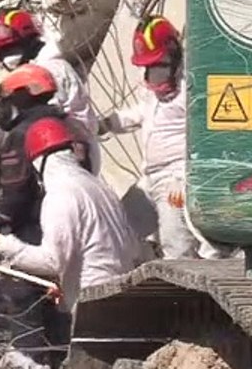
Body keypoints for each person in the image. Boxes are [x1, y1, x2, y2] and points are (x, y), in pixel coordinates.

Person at [0, 116, 144, 352]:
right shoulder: (100, 187)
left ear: (36, 161)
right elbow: (125, 245)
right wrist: (67, 279)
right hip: (125, 294)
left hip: (94, 304)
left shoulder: (60, 195)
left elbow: (51, 261)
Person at [99, 16, 236, 259]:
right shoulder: (151, 88)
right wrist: (108, 124)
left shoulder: (191, 88)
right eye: (149, 66)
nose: (154, 73)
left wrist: (184, 177)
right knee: (120, 230)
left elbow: (208, 138)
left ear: (173, 55)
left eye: (159, 64)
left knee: (176, 247)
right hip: (150, 178)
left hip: (176, 179)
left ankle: (186, 294)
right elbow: (141, 113)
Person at [0, 64, 94, 246]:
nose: (3, 107)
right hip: (86, 212)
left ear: (20, 97)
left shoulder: (21, 134)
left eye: (6, 101)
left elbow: (14, 195)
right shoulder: (70, 124)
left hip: (43, 225)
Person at [0, 9, 102, 174]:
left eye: (13, 48)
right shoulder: (45, 66)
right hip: (75, 147)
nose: (8, 57)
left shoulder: (45, 71)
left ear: (29, 42)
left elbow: (44, 117)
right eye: (4, 51)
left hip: (70, 152)